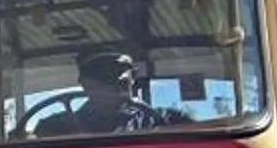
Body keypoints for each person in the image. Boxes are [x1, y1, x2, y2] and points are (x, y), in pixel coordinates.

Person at [33, 50, 192, 137]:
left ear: (132, 80)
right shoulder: (56, 126)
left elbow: (201, 134)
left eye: (119, 82)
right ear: (84, 84)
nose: (111, 89)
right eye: (102, 81)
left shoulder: (164, 120)